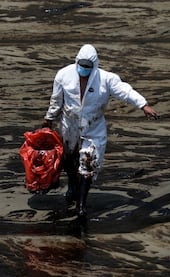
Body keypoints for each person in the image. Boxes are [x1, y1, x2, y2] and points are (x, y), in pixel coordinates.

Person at [43, 44, 158, 218]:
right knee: (69, 159)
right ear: (76, 62)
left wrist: (143, 104)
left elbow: (125, 91)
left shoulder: (106, 79)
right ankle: (72, 186)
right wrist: (49, 119)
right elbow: (56, 99)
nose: (83, 70)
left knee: (89, 164)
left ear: (94, 66)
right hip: (70, 123)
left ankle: (81, 203)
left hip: (94, 127)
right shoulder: (64, 75)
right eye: (81, 66)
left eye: (87, 67)